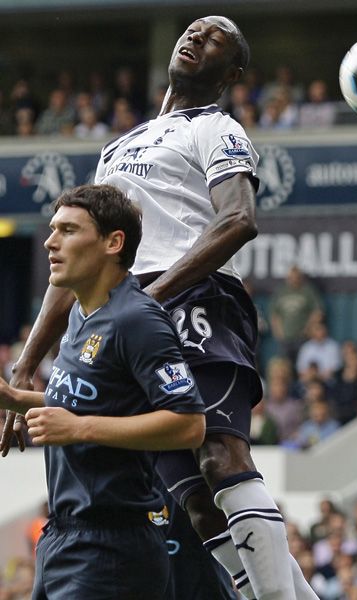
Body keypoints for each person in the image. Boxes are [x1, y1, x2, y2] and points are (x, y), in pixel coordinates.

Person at [1, 16, 316, 600]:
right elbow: (76, 262)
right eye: (193, 30)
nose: (197, 38)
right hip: (124, 314)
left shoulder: (218, 129)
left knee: (219, 457)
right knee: (193, 501)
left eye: (216, 37)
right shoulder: (119, 146)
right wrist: (25, 365)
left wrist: (147, 299)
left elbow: (239, 219)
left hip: (195, 297)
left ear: (233, 74)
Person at [0, 184, 206, 598]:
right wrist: (16, 399)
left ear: (114, 243)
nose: (50, 241)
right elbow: (97, 400)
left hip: (113, 547)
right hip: (62, 538)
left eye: (69, 230)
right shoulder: (79, 313)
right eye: (53, 229)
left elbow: (189, 425)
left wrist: (80, 429)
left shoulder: (138, 320)